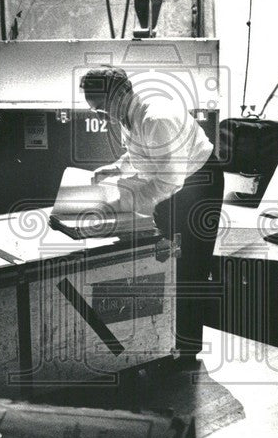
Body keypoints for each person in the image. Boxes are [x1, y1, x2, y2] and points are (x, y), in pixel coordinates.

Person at [79, 65, 224, 367]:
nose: (102, 116)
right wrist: (116, 170)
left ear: (119, 94)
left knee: (188, 269)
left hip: (199, 184)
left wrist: (123, 202)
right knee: (165, 261)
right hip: (177, 182)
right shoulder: (126, 111)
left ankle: (186, 352)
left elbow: (169, 182)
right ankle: (163, 342)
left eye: (102, 108)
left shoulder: (155, 117)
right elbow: (141, 154)